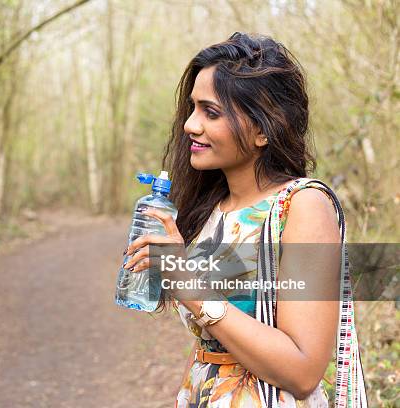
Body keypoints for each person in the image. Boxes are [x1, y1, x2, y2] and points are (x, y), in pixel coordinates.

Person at [121, 32, 367, 407]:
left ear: (263, 130)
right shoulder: (213, 209)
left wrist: (188, 284)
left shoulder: (301, 207)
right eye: (192, 108)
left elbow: (303, 373)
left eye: (211, 112)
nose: (189, 124)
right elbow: (212, 344)